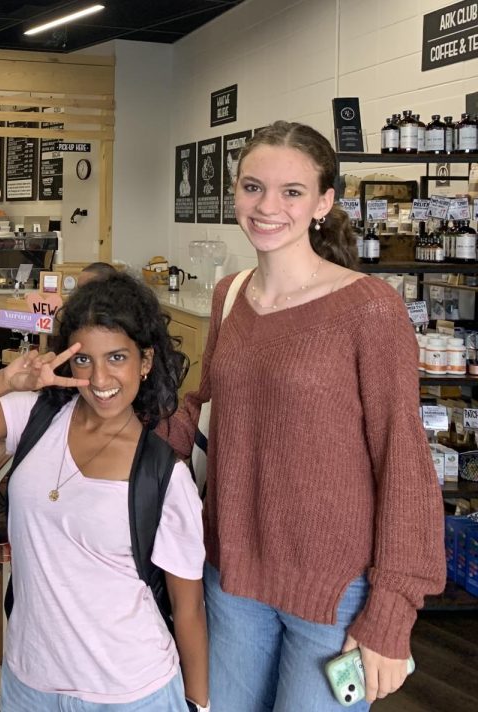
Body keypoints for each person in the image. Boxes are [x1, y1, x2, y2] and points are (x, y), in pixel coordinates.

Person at [156, 121, 445, 711]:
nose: (267, 207)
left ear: (324, 202)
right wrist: (96, 419)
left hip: (334, 595)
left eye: (291, 192)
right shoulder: (230, 294)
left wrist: (392, 610)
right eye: (252, 187)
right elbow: (203, 405)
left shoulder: (370, 308)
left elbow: (404, 462)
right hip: (232, 575)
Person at [0, 272, 210, 712]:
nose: (100, 377)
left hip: (130, 692)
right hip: (30, 685)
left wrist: (198, 706)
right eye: (85, 360)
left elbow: (189, 609)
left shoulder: (164, 475)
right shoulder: (36, 415)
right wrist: (6, 381)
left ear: (145, 361)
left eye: (117, 357)